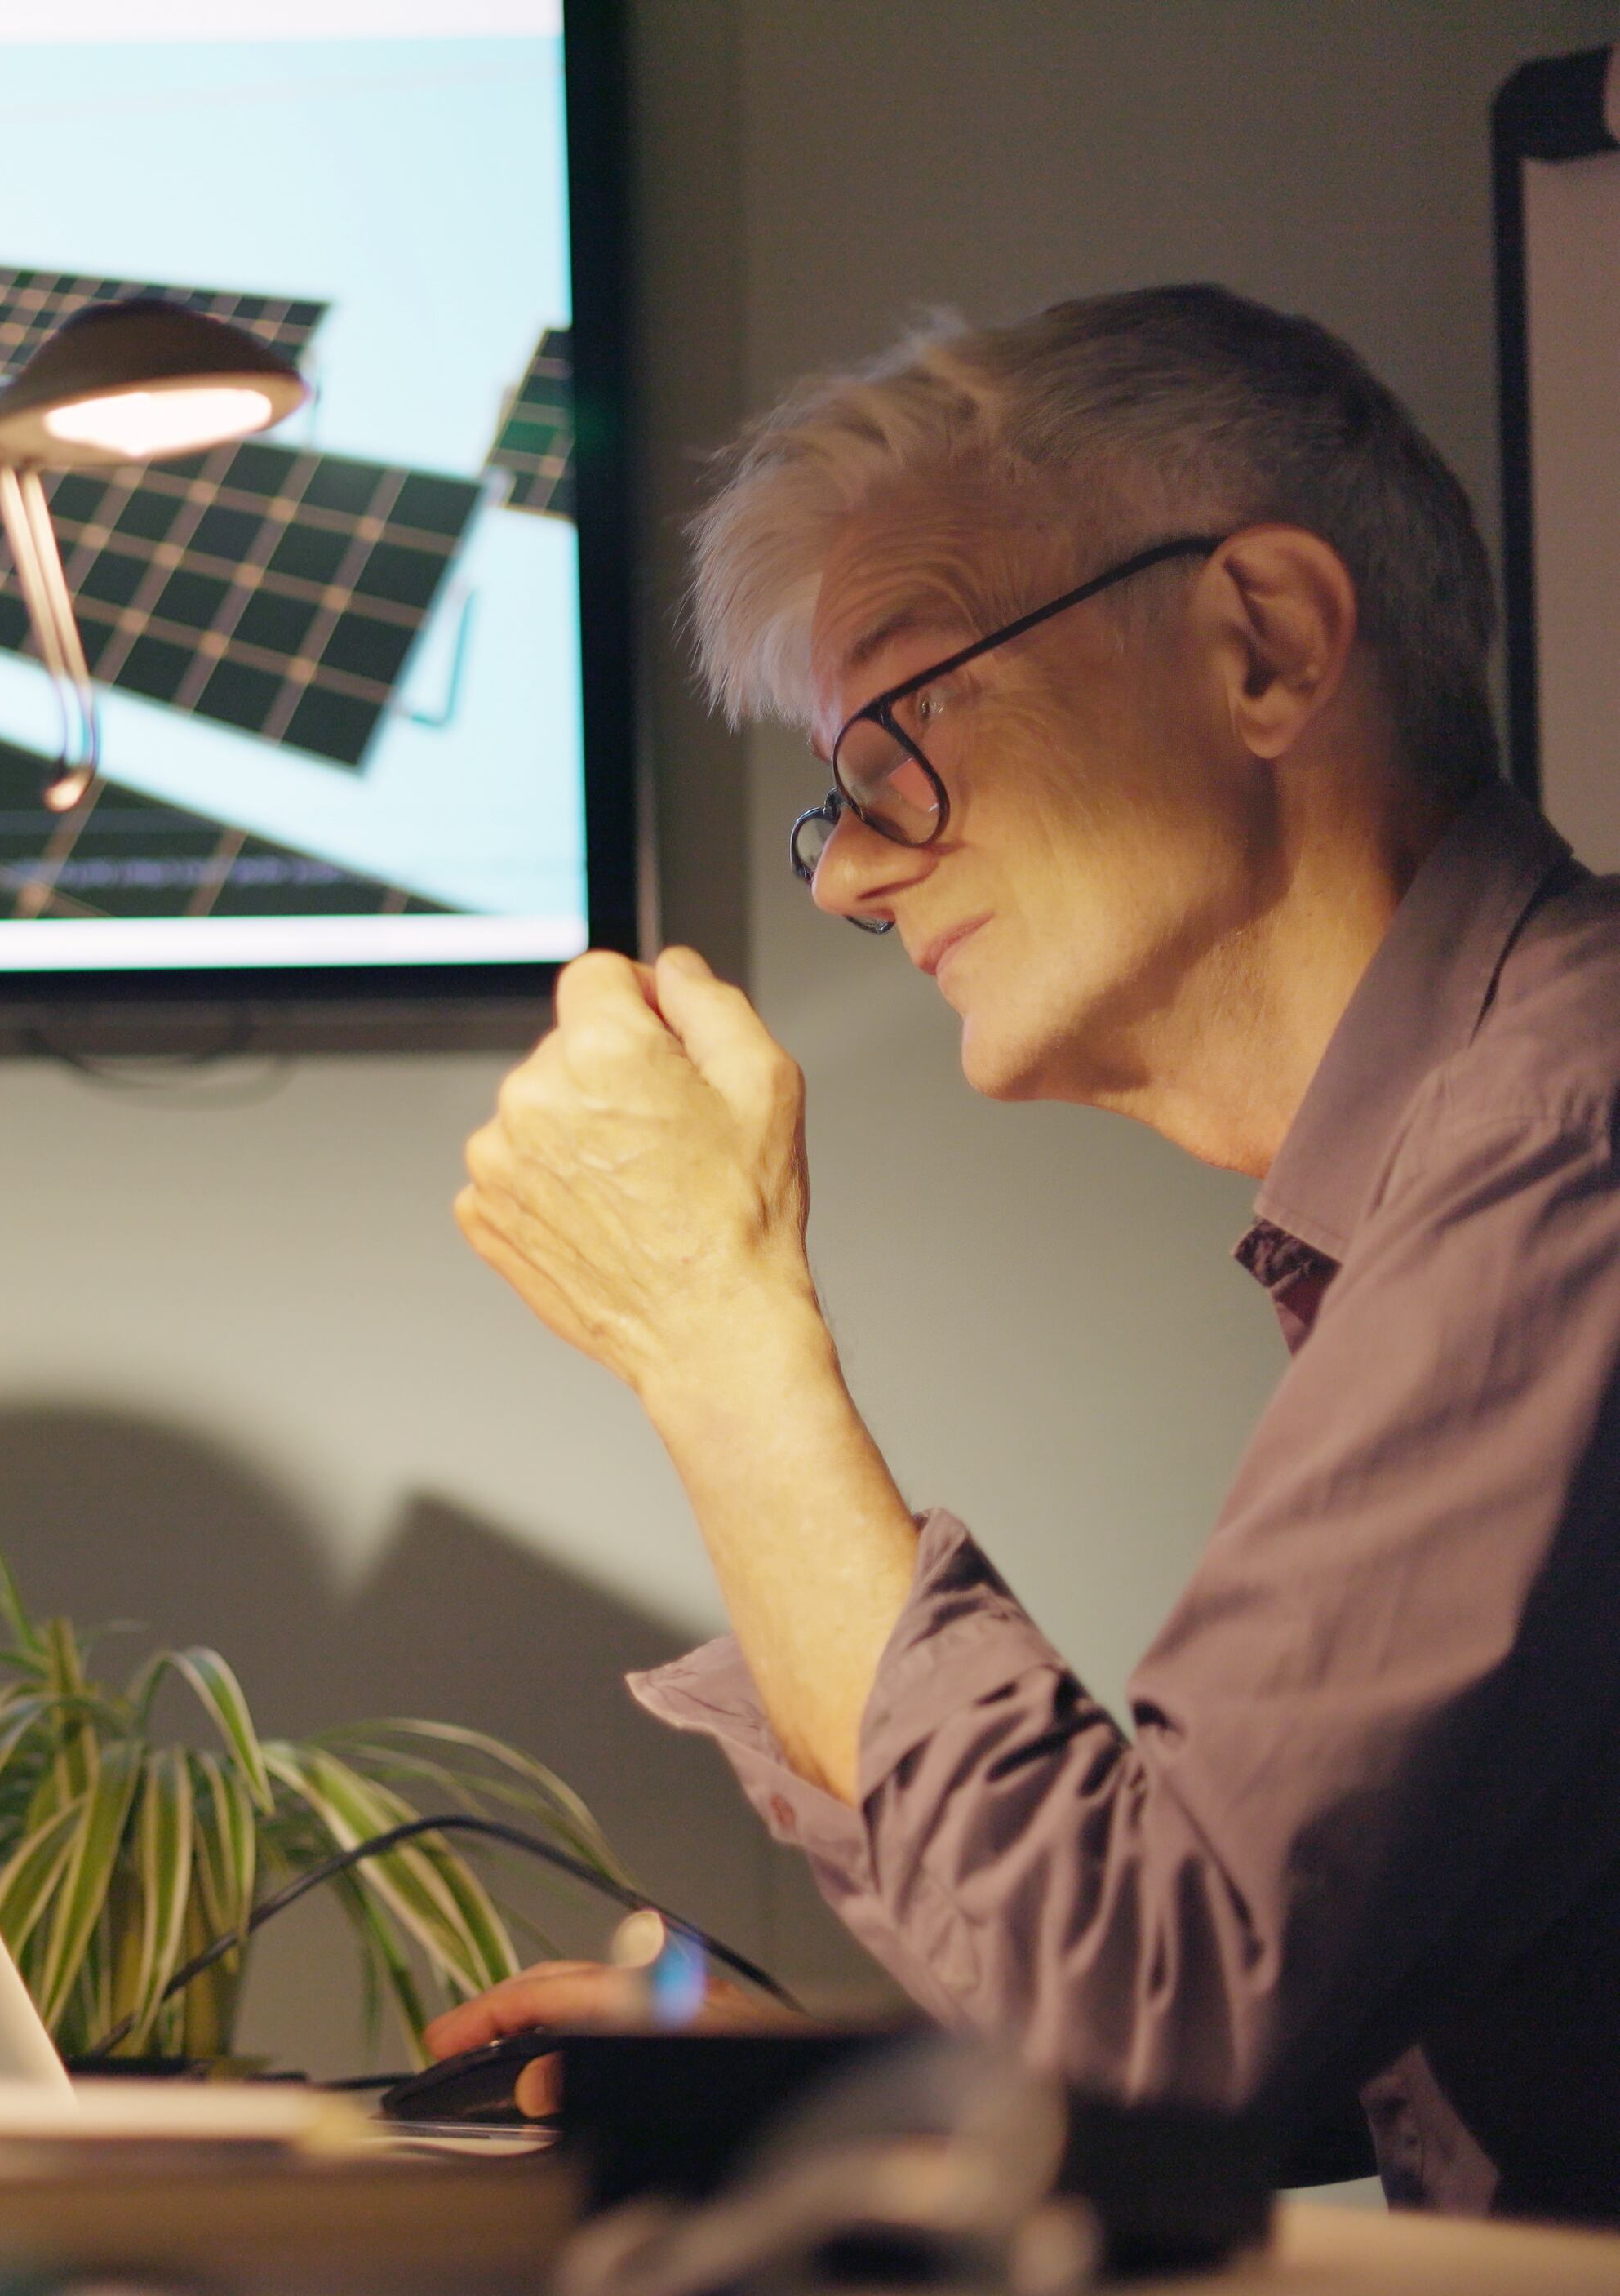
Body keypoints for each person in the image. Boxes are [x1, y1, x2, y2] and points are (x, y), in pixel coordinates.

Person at [428, 283, 1620, 2223]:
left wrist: (721, 1337)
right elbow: (1346, 2019)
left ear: (1264, 646)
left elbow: (1175, 2029)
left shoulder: (1562, 1137)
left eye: (902, 732)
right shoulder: (1491, 1141)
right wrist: (874, 2092)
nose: (848, 868)